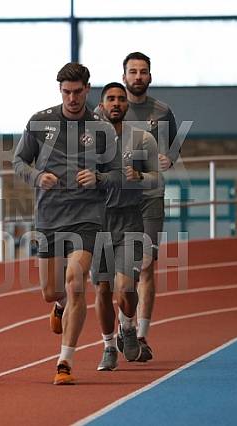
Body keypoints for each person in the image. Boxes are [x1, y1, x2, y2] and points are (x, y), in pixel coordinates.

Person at [13, 63, 106, 385]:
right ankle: (60, 305)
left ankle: (65, 361)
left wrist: (99, 178)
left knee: (76, 280)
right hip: (50, 216)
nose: (72, 98)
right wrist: (37, 176)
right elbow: (19, 161)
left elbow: (117, 172)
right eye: (66, 92)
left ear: (87, 89)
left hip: (87, 216)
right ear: (60, 91)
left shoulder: (101, 127)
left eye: (77, 92)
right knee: (51, 291)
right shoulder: (40, 122)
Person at [92, 82, 158, 370]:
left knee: (126, 287)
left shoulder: (142, 139)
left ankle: (128, 326)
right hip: (98, 221)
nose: (116, 103)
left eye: (121, 99)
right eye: (110, 99)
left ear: (127, 105)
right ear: (102, 105)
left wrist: (140, 177)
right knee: (103, 290)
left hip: (130, 218)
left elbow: (157, 179)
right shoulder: (89, 140)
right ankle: (108, 346)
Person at [121, 52, 179, 361]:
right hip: (118, 200)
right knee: (121, 268)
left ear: (150, 77)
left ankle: (141, 334)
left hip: (151, 196)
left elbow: (174, 148)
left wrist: (169, 158)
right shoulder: (108, 109)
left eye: (143, 71)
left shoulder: (162, 112)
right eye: (133, 72)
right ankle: (124, 324)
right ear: (124, 77)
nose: (138, 77)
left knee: (145, 265)